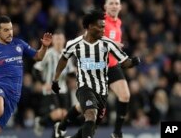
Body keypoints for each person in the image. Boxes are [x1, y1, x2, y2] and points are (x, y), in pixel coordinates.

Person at [51, 9, 140, 138]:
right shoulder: (75, 44)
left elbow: (125, 62)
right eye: (101, 26)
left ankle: (62, 127)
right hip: (84, 87)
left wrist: (133, 62)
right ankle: (62, 126)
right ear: (90, 26)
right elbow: (63, 59)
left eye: (104, 26)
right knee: (90, 114)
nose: (104, 29)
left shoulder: (107, 43)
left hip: (102, 91)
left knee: (91, 127)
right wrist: (55, 80)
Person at [32, 30, 75, 136]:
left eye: (60, 38)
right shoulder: (48, 53)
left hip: (63, 89)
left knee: (63, 116)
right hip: (50, 89)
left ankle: (56, 135)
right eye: (56, 39)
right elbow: (35, 70)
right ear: (53, 41)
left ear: (64, 40)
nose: (59, 41)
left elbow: (69, 73)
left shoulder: (67, 54)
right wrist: (43, 83)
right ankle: (40, 121)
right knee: (58, 114)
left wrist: (75, 74)